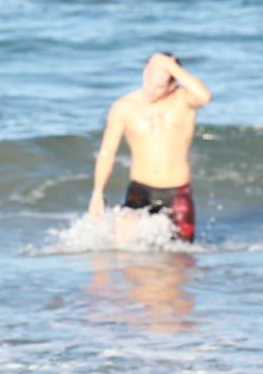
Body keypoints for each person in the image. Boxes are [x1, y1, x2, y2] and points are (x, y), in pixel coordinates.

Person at [87, 52, 212, 242]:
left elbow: (204, 96)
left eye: (160, 86)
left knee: (180, 259)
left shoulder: (184, 100)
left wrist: (171, 67)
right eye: (149, 81)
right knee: (124, 247)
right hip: (140, 190)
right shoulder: (124, 107)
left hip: (176, 192)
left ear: (173, 83)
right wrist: (97, 192)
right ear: (144, 73)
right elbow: (107, 152)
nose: (152, 90)